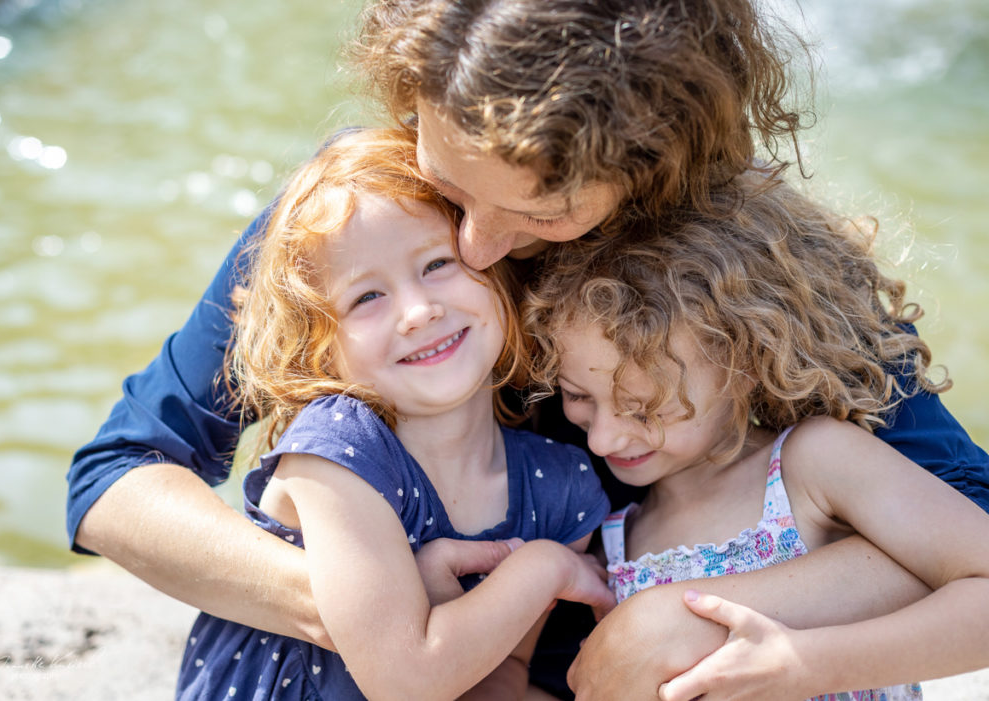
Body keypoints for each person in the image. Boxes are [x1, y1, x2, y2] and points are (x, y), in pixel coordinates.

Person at [67, 1, 989, 698]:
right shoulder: (362, 222)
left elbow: (968, 519)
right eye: (449, 184)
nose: (471, 247)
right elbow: (116, 477)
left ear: (652, 170)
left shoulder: (741, 269)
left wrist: (682, 616)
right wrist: (363, 603)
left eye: (541, 211)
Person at [175, 127, 614, 700]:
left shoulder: (560, 486)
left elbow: (502, 674)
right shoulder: (337, 452)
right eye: (366, 297)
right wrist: (545, 571)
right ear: (321, 347)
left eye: (436, 264)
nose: (417, 310)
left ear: (498, 274)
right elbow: (406, 679)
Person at [522, 173, 989, 700]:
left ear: (742, 365)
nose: (603, 439)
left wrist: (805, 666)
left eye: (642, 406)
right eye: (578, 396)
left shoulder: (812, 463)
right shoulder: (614, 540)